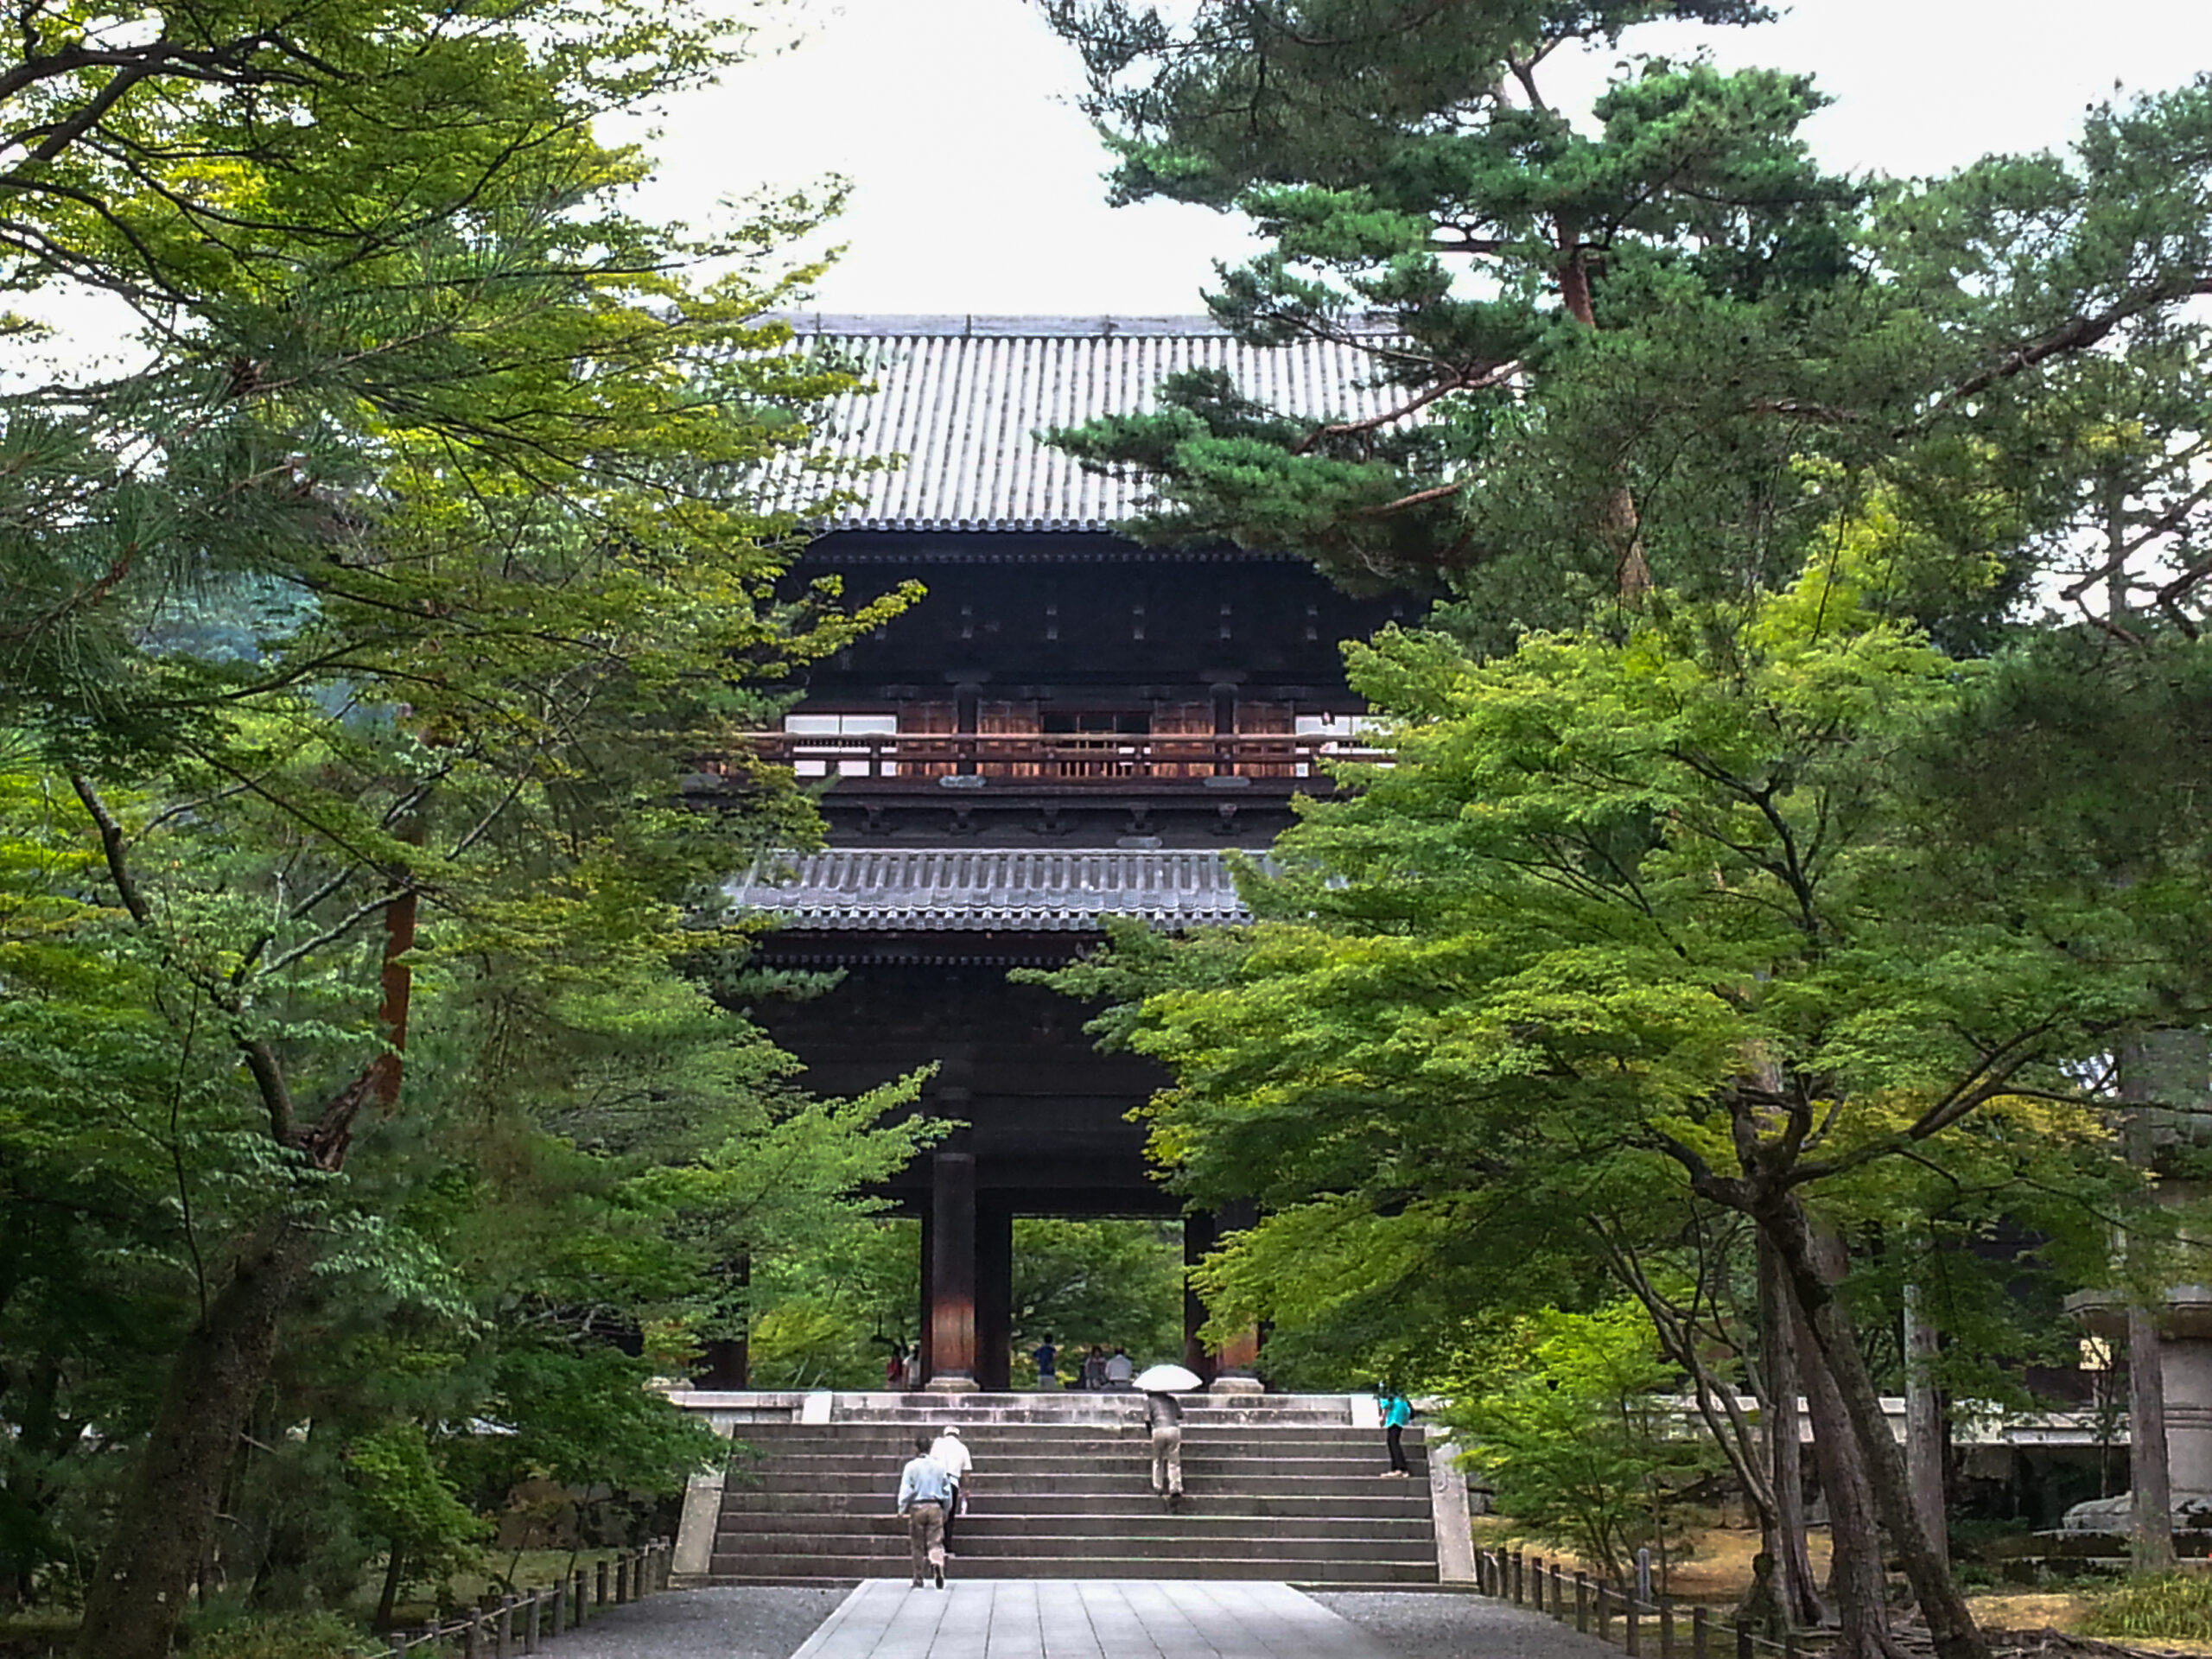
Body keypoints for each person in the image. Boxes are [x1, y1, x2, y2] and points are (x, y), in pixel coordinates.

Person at [896, 1433, 953, 1588]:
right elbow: (946, 1491)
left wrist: (901, 1508)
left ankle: (918, 1577)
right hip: (935, 1506)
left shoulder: (911, 1467)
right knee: (935, 1542)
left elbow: (906, 1490)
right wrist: (946, 1509)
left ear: (916, 1448)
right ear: (930, 1448)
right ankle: (936, 1564)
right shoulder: (940, 1466)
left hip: (917, 1507)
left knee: (917, 1544)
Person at [928, 1425, 972, 1555]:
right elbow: (966, 1472)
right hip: (952, 1482)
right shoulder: (962, 1448)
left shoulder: (937, 1444)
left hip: (937, 1481)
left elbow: (930, 1464)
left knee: (936, 1514)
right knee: (950, 1515)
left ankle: (934, 1544)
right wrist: (966, 1489)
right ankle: (947, 1545)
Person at [1143, 1389, 1185, 1508]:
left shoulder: (1149, 1402)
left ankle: (1158, 1486)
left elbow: (1147, 1420)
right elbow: (1180, 1416)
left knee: (1157, 1459)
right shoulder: (1172, 1399)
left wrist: (1150, 1433)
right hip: (1173, 1429)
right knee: (1174, 1461)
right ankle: (1175, 1487)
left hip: (1158, 1429)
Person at [1379, 1386, 1414, 1478]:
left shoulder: (1385, 1384)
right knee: (1393, 1441)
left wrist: (1383, 1417)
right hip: (1401, 1413)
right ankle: (1395, 1468)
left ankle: (1401, 1468)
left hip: (1394, 1416)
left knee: (1393, 1442)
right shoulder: (1398, 1385)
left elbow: (1386, 1402)